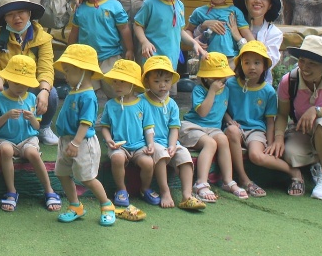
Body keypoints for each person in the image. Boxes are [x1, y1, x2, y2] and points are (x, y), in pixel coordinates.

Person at [267, 37, 322, 201]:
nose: (305, 67)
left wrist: (318, 111)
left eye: (312, 63)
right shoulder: (289, 81)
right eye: (302, 60)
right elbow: (282, 115)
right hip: (304, 132)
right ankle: (319, 161)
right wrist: (278, 138)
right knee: (290, 154)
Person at [0, 0, 59, 146]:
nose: (16, 18)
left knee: (52, 94)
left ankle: (43, 127)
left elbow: (46, 68)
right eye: (10, 14)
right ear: (4, 18)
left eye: (21, 12)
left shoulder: (43, 38)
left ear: (29, 13)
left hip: (31, 87)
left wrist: (44, 90)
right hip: (7, 87)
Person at [0, 54, 61, 212]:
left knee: (33, 153)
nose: (20, 87)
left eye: (25, 84)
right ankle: (11, 191)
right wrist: (6, 116)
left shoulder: (32, 97)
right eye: (16, 82)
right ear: (7, 80)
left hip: (27, 139)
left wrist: (32, 118)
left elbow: (37, 126)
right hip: (5, 139)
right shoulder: (0, 98)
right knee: (6, 150)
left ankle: (49, 190)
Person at [52, 44, 116, 226]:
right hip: (66, 140)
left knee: (87, 178)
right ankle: (75, 206)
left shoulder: (88, 96)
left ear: (82, 71)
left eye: (68, 71)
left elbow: (86, 122)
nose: (65, 76)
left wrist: (76, 143)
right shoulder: (74, 91)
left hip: (81, 143)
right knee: (62, 173)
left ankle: (106, 205)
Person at [225, 41, 293, 197]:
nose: (252, 67)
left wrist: (270, 142)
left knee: (256, 155)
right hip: (235, 128)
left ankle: (293, 171)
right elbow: (222, 108)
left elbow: (270, 121)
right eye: (247, 62)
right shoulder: (230, 84)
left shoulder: (268, 91)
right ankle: (244, 179)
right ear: (240, 65)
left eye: (257, 63)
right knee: (232, 131)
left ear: (264, 66)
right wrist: (229, 119)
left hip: (256, 130)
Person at [180, 52, 248, 201]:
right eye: (214, 76)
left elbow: (221, 108)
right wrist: (212, 91)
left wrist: (229, 120)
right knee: (210, 143)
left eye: (221, 76)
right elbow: (203, 112)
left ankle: (228, 181)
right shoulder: (199, 90)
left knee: (223, 140)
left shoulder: (226, 90)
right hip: (193, 126)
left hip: (213, 128)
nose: (219, 80)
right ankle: (201, 183)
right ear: (205, 77)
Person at [141, 56, 206, 211]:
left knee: (184, 155)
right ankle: (165, 191)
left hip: (169, 141)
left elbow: (174, 128)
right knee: (161, 154)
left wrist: (172, 145)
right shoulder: (141, 101)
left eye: (166, 81)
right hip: (150, 142)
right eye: (157, 81)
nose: (162, 85)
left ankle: (187, 195)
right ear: (147, 82)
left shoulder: (172, 104)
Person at [98, 59, 157, 208]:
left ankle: (145, 188)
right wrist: (108, 140)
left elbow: (148, 128)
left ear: (133, 84)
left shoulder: (143, 104)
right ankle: (121, 190)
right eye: (115, 81)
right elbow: (104, 126)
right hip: (118, 146)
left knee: (148, 163)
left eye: (122, 82)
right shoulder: (111, 104)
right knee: (117, 159)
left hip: (139, 146)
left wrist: (150, 144)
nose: (117, 85)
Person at [68, 0, 134, 92]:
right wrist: (69, 52)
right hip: (86, 59)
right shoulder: (80, 8)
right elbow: (74, 32)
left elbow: (124, 29)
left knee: (114, 91)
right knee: (88, 92)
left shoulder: (114, 5)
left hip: (111, 56)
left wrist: (130, 49)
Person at [133, 0, 205, 68]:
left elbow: (180, 31)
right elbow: (137, 24)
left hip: (172, 58)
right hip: (153, 57)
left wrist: (194, 43)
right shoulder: (150, 2)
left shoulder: (179, 5)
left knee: (170, 79)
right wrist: (144, 42)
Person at [187, 0, 254, 62]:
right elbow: (188, 30)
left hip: (232, 59)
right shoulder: (199, 12)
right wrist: (194, 42)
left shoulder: (235, 12)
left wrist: (256, 48)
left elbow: (246, 33)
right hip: (207, 58)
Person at [233, 0, 284, 82]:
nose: (258, 1)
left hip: (260, 87)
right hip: (230, 84)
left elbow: (267, 62)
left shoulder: (274, 33)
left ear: (270, 5)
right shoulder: (233, 23)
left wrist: (240, 40)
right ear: (246, 0)